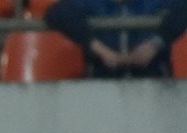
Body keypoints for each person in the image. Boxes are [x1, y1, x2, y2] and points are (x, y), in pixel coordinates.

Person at [43, 0, 187, 77]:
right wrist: (101, 50)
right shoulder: (91, 2)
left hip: (155, 88)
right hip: (101, 88)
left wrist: (154, 46)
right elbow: (56, 13)